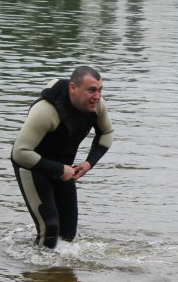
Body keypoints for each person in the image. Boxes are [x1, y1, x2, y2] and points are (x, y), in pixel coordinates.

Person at [11, 66, 114, 248]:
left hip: (64, 170)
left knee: (67, 233)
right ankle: (41, 275)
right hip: (32, 169)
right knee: (49, 228)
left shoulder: (97, 107)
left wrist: (89, 162)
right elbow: (19, 153)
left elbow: (107, 133)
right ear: (73, 88)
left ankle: (54, 269)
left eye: (100, 90)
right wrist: (59, 169)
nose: (97, 97)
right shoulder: (46, 111)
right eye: (91, 90)